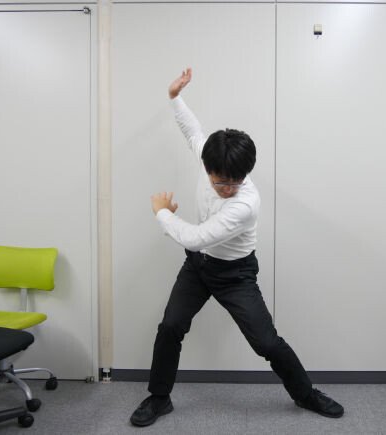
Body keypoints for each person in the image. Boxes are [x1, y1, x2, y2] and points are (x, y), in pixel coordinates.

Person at [130, 68, 344, 427]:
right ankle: (159, 398)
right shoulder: (208, 158)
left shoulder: (245, 204)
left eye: (235, 182)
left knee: (267, 343)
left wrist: (162, 213)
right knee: (170, 327)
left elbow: (196, 236)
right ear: (208, 167)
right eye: (220, 183)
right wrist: (175, 97)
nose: (227, 188)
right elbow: (193, 131)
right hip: (198, 267)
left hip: (235, 274)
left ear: (245, 174)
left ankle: (306, 394)